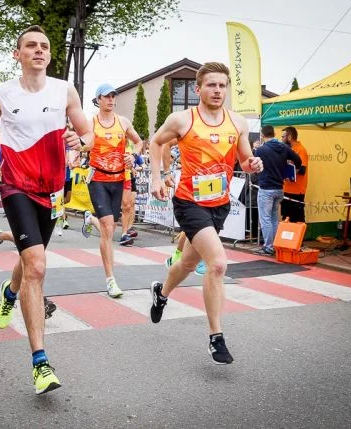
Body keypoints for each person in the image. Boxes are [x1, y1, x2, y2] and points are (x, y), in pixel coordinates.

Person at [0, 25, 93, 394]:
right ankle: (40, 362)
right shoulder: (1, 92)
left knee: (33, 259)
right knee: (38, 266)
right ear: (18, 54)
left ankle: (9, 292)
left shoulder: (64, 90)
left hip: (52, 190)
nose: (39, 50)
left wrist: (81, 140)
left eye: (44, 46)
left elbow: (88, 134)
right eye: (31, 45)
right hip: (16, 186)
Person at [148, 62, 264, 364]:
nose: (217, 90)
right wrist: (158, 177)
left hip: (219, 203)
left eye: (222, 86)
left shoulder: (237, 122)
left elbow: (245, 158)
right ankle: (216, 338)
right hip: (189, 202)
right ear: (198, 89)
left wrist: (253, 163)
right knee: (218, 264)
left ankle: (161, 292)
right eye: (211, 85)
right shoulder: (182, 119)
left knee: (188, 263)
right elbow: (156, 142)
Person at [81, 83, 144, 297]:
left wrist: (133, 156)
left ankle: (90, 219)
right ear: (98, 99)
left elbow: (139, 142)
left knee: (110, 227)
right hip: (97, 179)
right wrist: (78, 149)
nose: (110, 100)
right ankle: (110, 280)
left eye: (113, 96)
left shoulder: (123, 122)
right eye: (106, 96)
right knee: (108, 227)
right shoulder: (90, 122)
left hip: (118, 179)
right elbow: (82, 143)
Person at [254, 125, 302, 255]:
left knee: (265, 218)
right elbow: (298, 160)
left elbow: (254, 168)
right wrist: (292, 172)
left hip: (266, 188)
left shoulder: (260, 150)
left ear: (262, 135)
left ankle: (268, 246)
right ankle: (275, 245)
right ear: (274, 134)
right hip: (279, 188)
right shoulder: (284, 147)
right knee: (274, 217)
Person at [119, 139, 144, 245]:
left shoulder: (132, 148)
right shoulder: (116, 146)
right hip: (116, 177)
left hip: (129, 178)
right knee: (119, 207)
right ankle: (92, 219)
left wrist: (136, 168)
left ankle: (127, 230)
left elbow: (142, 164)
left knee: (130, 204)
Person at [281, 126, 308, 223]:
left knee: (297, 219)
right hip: (286, 189)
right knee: (286, 218)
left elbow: (302, 169)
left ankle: (300, 233)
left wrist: (290, 173)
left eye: (283, 137)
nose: (281, 139)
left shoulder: (301, 150)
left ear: (289, 137)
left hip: (297, 191)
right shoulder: (287, 149)